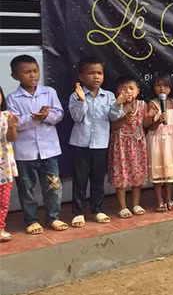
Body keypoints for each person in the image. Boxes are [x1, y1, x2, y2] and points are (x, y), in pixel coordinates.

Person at [7, 55, 67, 234]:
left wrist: (47, 116)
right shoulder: (13, 98)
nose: (33, 75)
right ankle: (31, 220)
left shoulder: (49, 92)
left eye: (35, 71)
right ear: (15, 75)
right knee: (26, 188)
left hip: (49, 150)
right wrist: (36, 118)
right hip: (24, 152)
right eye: (27, 72)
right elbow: (15, 123)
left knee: (53, 186)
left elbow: (59, 115)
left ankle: (53, 217)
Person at [68, 57, 122, 227]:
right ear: (81, 76)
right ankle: (78, 212)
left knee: (98, 180)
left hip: (100, 144)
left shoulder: (109, 96)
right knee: (80, 180)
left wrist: (118, 104)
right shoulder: (75, 95)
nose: (96, 76)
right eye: (91, 73)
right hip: (80, 144)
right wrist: (82, 101)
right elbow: (77, 117)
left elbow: (114, 117)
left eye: (99, 73)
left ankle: (96, 210)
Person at [109, 76, 148, 218]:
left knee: (137, 175)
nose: (128, 92)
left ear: (137, 91)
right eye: (123, 89)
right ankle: (123, 207)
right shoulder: (115, 106)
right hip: (120, 145)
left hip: (137, 144)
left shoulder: (142, 105)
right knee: (121, 175)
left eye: (131, 88)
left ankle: (136, 204)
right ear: (117, 92)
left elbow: (146, 124)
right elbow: (112, 126)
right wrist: (124, 119)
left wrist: (151, 116)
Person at [145, 73, 173, 212]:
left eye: (165, 86)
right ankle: (159, 200)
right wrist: (158, 120)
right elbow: (149, 126)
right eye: (158, 85)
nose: (162, 89)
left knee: (169, 171)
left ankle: (169, 198)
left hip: (171, 139)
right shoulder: (152, 104)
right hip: (156, 140)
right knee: (159, 171)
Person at [0, 86, 18, 242]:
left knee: (3, 201)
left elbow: (12, 139)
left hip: (4, 166)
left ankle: (0, 229)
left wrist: (11, 127)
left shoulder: (7, 115)